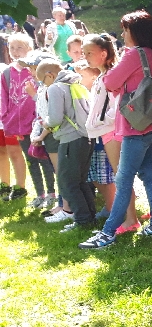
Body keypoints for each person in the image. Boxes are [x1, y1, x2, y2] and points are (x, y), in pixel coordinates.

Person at [79, 10, 152, 249]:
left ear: (136, 32)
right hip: (149, 123)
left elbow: (109, 82)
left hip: (133, 125)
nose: (122, 35)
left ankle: (108, 232)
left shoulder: (134, 54)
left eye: (125, 30)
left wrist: (121, 85)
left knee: (123, 177)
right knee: (148, 173)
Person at [37, 59, 92, 231]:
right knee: (81, 181)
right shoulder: (76, 83)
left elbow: (55, 118)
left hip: (70, 139)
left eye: (42, 81)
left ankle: (82, 220)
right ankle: (89, 217)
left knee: (67, 182)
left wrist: (45, 123)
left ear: (49, 75)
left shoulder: (55, 87)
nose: (43, 85)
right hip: (85, 138)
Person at [0, 34, 51, 203]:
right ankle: (39, 194)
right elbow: (4, 98)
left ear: (29, 49)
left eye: (19, 47)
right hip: (18, 125)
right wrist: (7, 119)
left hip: (37, 124)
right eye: (12, 48)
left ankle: (51, 193)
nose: (15, 51)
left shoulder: (35, 70)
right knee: (31, 160)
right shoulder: (7, 72)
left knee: (43, 158)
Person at [81, 34, 119, 219]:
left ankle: (124, 216)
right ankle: (116, 210)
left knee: (118, 175)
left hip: (110, 132)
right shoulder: (101, 76)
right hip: (100, 132)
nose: (85, 56)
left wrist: (102, 121)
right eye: (84, 53)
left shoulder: (112, 76)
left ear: (103, 54)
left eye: (89, 52)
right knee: (103, 175)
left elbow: (117, 105)